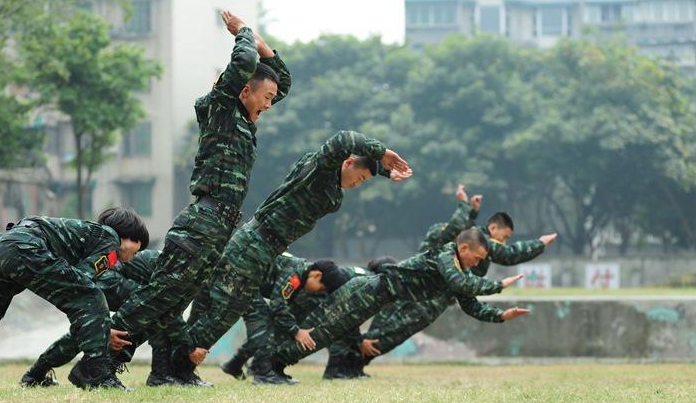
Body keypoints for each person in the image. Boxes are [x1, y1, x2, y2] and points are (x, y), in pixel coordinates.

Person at [69, 10, 291, 388]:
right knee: (160, 295)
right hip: (202, 222)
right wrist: (244, 34)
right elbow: (243, 63)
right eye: (265, 98)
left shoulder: (244, 117)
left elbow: (279, 81)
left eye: (271, 99)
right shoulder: (220, 108)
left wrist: (265, 48)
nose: (270, 104)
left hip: (219, 227)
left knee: (174, 301)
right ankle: (94, 365)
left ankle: (167, 372)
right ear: (242, 90)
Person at [165, 130, 412, 386]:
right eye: (359, 178)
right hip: (254, 243)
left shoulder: (332, 185)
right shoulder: (318, 169)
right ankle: (175, 368)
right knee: (223, 310)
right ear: (348, 162)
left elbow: (356, 162)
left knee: (220, 310)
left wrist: (383, 170)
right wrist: (381, 152)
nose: (356, 184)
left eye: (363, 182)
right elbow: (344, 139)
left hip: (266, 248)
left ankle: (177, 369)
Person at [250, 228, 530, 384]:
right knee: (320, 332)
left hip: (375, 298)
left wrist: (501, 316)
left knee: (325, 333)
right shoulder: (445, 256)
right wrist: (498, 285)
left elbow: (470, 303)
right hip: (368, 291)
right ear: (464, 248)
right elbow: (462, 282)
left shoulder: (457, 272)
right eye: (478, 258)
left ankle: (274, 366)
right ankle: (268, 367)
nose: (478, 264)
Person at [0, 208, 148, 394]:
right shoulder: (110, 240)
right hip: (25, 246)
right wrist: (101, 329)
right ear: (130, 237)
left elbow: (73, 288)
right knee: (91, 295)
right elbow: (83, 289)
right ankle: (97, 375)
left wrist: (98, 328)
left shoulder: (87, 234)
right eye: (138, 250)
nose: (133, 257)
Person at [19, 248, 182, 388]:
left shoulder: (177, 263)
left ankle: (35, 374)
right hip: (108, 279)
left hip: (106, 279)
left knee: (84, 333)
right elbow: (163, 308)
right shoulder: (174, 266)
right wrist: (189, 346)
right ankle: (157, 374)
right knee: (150, 311)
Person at [218, 253, 346, 381]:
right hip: (243, 283)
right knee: (263, 325)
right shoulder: (294, 275)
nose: (318, 291)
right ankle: (263, 374)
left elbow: (282, 310)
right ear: (317, 275)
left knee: (267, 328)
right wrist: (296, 331)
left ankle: (235, 364)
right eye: (321, 288)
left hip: (249, 285)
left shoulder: (301, 278)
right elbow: (277, 305)